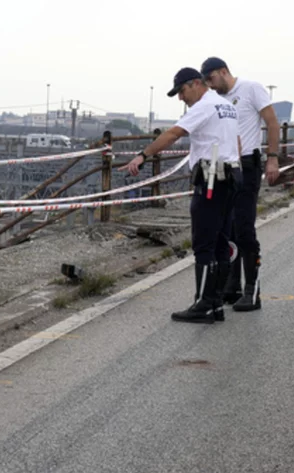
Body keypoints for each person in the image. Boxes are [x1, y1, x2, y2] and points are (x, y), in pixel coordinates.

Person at [123, 67, 242, 324]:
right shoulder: (226, 106)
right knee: (221, 242)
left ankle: (204, 305)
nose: (181, 98)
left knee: (204, 243)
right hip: (231, 177)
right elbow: (237, 141)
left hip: (212, 179)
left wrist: (143, 155)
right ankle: (216, 303)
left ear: (196, 84)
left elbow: (174, 133)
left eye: (182, 91)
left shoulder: (204, 105)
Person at [200, 57, 280, 312]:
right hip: (227, 166)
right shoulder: (216, 99)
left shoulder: (250, 88)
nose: (211, 86)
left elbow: (272, 122)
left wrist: (273, 159)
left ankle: (252, 291)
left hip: (248, 164)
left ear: (223, 71)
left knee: (244, 228)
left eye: (212, 79)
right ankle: (232, 287)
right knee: (228, 228)